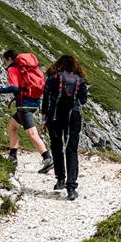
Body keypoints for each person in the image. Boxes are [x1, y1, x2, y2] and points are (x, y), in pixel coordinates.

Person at [0, 49, 54, 173]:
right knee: (11, 127)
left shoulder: (13, 69)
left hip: (24, 106)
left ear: (9, 59)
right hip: (33, 103)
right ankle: (12, 156)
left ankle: (47, 158)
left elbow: (14, 87)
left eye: (5, 61)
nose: (5, 64)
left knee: (32, 134)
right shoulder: (27, 68)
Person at [41, 54, 88, 201]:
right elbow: (83, 100)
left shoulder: (52, 78)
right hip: (72, 117)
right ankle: (71, 188)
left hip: (54, 116)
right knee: (71, 150)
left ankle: (60, 179)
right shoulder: (80, 80)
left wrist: (44, 117)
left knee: (56, 146)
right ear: (75, 66)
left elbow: (46, 98)